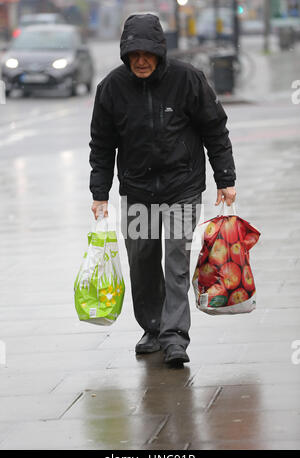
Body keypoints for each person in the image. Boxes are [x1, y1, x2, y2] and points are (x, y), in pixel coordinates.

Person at [89, 14, 236, 367]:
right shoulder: (111, 88)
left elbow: (215, 129)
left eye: (148, 53)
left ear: (160, 52)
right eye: (134, 53)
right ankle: (152, 329)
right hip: (138, 191)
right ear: (125, 53)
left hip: (182, 187)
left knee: (175, 263)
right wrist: (99, 192)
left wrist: (225, 177)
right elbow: (102, 143)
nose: (141, 60)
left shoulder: (188, 80)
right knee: (142, 263)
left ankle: (174, 337)